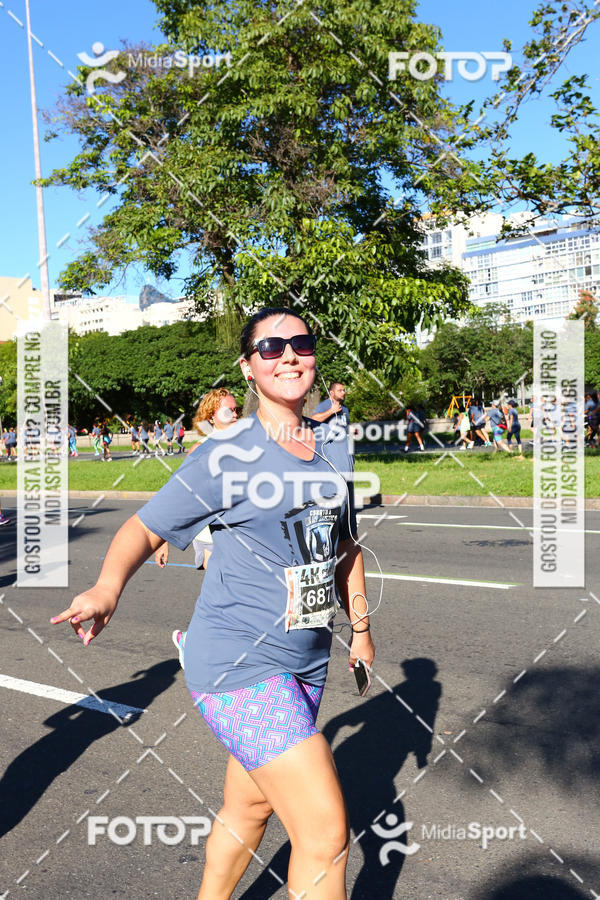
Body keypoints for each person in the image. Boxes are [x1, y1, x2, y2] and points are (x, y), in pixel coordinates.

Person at [51, 306, 373, 900]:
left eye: (300, 342)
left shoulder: (333, 443)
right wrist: (106, 588)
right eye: (271, 348)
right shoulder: (228, 454)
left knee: (250, 808)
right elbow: (144, 529)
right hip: (236, 662)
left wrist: (361, 626)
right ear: (250, 368)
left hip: (304, 657)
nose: (290, 356)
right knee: (325, 834)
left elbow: (344, 542)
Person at [157, 388, 240, 668]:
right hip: (210, 534)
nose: (236, 414)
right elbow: (174, 493)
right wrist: (162, 540)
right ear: (211, 417)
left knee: (233, 594)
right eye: (229, 410)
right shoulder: (201, 451)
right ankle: (195, 643)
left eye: (237, 409)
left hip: (238, 532)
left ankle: (201, 642)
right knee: (225, 592)